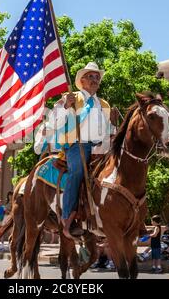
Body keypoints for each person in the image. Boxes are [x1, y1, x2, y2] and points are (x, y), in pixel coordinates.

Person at [45, 62, 118, 239]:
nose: (95, 80)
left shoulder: (104, 104)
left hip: (101, 147)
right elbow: (53, 122)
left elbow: (109, 130)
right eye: (91, 76)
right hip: (78, 145)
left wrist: (115, 131)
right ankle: (68, 218)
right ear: (82, 80)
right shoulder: (71, 97)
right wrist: (64, 107)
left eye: (97, 77)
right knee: (77, 172)